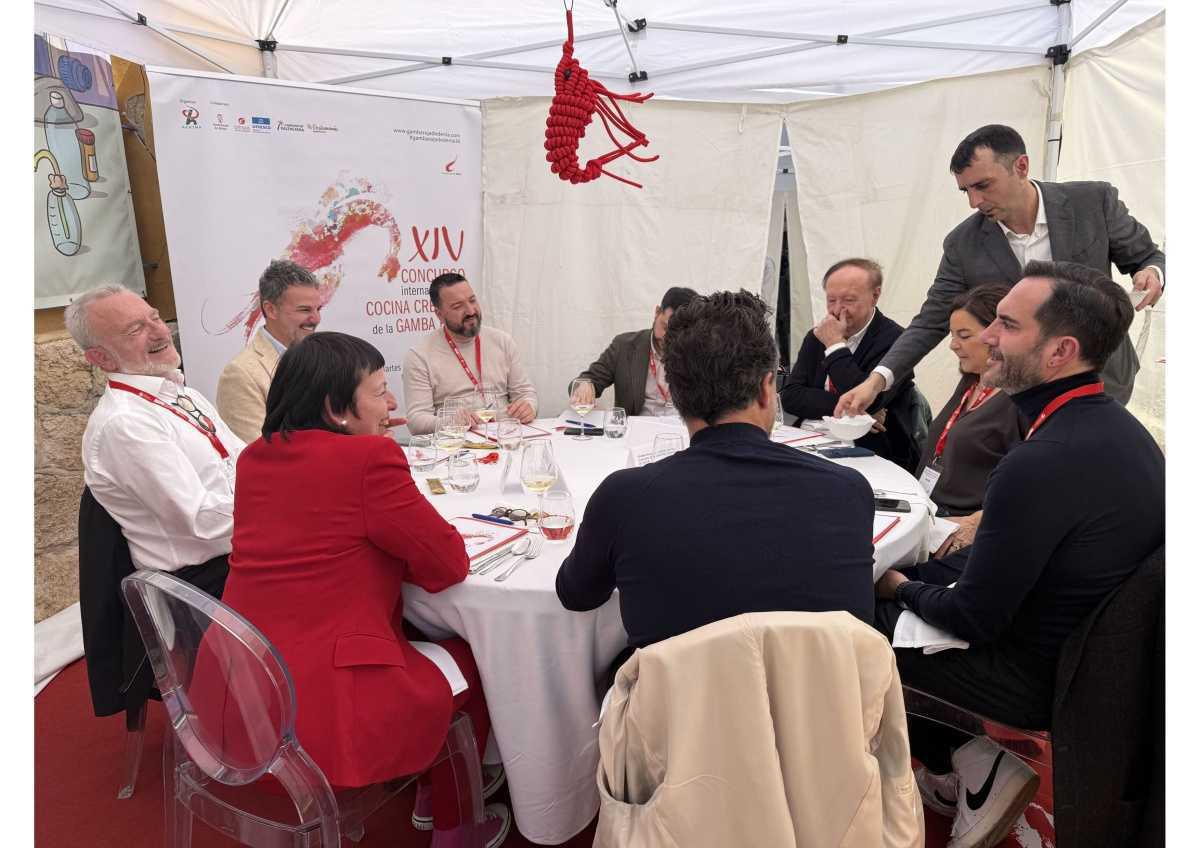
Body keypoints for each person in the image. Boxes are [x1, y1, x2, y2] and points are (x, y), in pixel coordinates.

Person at [874, 261, 1165, 848]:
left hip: (1043, 678)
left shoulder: (1038, 461)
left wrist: (898, 586)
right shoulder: (1124, 433)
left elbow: (973, 619)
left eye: (1005, 325)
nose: (985, 338)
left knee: (849, 619)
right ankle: (958, 768)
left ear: (1060, 351)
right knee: (926, 579)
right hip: (1101, 664)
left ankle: (972, 766)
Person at [219, 331, 510, 847]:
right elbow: (447, 565)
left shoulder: (254, 459)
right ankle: (454, 824)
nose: (392, 402)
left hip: (246, 681)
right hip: (331, 696)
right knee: (477, 659)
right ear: (336, 409)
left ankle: (429, 792)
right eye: (379, 391)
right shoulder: (369, 460)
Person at [556, 290, 876, 652]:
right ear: (767, 388)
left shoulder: (625, 498)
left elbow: (576, 594)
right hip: (825, 706)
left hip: (679, 707)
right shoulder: (847, 490)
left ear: (675, 394)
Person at [836, 123, 1165, 417]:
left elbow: (1147, 256)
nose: (974, 201)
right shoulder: (962, 243)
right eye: (966, 190)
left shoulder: (1093, 201)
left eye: (983, 185)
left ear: (1021, 167)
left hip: (1102, 377)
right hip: (1019, 391)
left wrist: (1150, 272)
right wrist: (877, 380)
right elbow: (931, 320)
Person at [68, 284, 242, 593]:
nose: (160, 331)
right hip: (204, 586)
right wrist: (281, 507)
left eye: (155, 317)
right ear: (101, 358)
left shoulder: (183, 393)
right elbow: (201, 521)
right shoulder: (124, 424)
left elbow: (244, 462)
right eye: (135, 329)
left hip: (240, 554)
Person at [779, 258, 924, 468]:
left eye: (848, 300)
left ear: (875, 296)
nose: (838, 311)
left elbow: (869, 400)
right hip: (812, 441)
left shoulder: (898, 341)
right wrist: (851, 411)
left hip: (872, 453)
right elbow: (791, 396)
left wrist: (835, 346)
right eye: (831, 300)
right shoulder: (818, 335)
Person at [915, 284, 1023, 540]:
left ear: (996, 335)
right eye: (952, 335)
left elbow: (1024, 486)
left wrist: (974, 523)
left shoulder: (1019, 400)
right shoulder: (971, 380)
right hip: (928, 510)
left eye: (964, 335)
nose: (953, 345)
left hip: (961, 527)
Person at [403, 272, 538, 434]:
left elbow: (525, 393)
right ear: (439, 314)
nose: (470, 311)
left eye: (472, 300)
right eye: (457, 306)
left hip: (505, 437)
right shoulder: (420, 356)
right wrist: (449, 422)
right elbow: (416, 420)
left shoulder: (502, 341)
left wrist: (528, 406)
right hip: (458, 445)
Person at [215, 259, 324, 443]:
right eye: (304, 310)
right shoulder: (240, 375)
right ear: (271, 309)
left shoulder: (321, 358)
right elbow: (258, 454)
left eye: (318, 309)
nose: (316, 319)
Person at [568, 286, 699, 415]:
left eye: (678, 333)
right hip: (636, 432)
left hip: (685, 432)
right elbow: (587, 379)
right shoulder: (624, 346)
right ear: (657, 312)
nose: (668, 338)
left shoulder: (701, 352)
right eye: (665, 328)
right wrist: (585, 386)